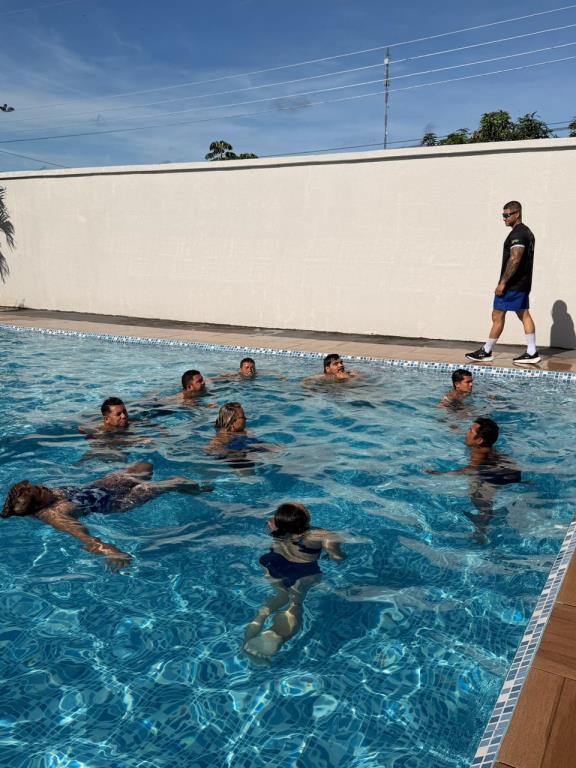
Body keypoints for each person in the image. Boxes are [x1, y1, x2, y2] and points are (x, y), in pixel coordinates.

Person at [1, 462, 212, 571]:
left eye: (37, 486)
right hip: (115, 503)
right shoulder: (54, 515)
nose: (43, 486)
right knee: (171, 482)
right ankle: (196, 490)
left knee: (144, 467)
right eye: (40, 490)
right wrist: (111, 552)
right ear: (40, 504)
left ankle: (185, 487)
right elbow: (84, 537)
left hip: (101, 486)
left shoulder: (48, 494)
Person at [243, 502, 345, 659]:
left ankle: (258, 621)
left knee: (281, 595)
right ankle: (276, 633)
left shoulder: (274, 526)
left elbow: (278, 523)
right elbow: (337, 557)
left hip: (272, 564)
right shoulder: (320, 535)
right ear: (307, 518)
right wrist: (336, 554)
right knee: (295, 604)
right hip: (302, 573)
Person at [466, 201, 540, 366]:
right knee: (523, 314)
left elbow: (515, 258)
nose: (504, 218)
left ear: (517, 214)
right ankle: (531, 351)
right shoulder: (526, 231)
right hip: (522, 283)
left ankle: (486, 351)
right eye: (503, 215)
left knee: (497, 315)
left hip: (512, 284)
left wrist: (503, 283)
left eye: (507, 215)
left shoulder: (518, 234)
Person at [428, 418, 521, 540]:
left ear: (479, 440)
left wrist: (440, 474)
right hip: (511, 469)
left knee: (476, 496)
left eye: (470, 431)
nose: (467, 433)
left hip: (497, 475)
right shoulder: (486, 445)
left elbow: (470, 470)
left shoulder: (478, 452)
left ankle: (481, 530)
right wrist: (455, 428)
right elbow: (473, 439)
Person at [206, 403, 271, 469]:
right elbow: (209, 449)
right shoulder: (224, 435)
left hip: (246, 448)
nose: (246, 419)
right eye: (242, 417)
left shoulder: (245, 430)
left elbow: (253, 442)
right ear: (232, 422)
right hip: (235, 456)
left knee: (278, 449)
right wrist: (233, 453)